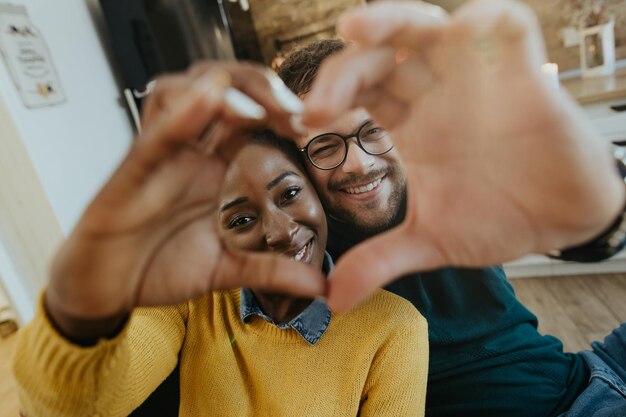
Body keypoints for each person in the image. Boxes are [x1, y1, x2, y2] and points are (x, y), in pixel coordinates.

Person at [13, 124, 428, 416]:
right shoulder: (190, 303)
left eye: (289, 193)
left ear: (315, 191)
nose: (282, 232)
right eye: (240, 220)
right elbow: (79, 406)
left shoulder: (394, 328)